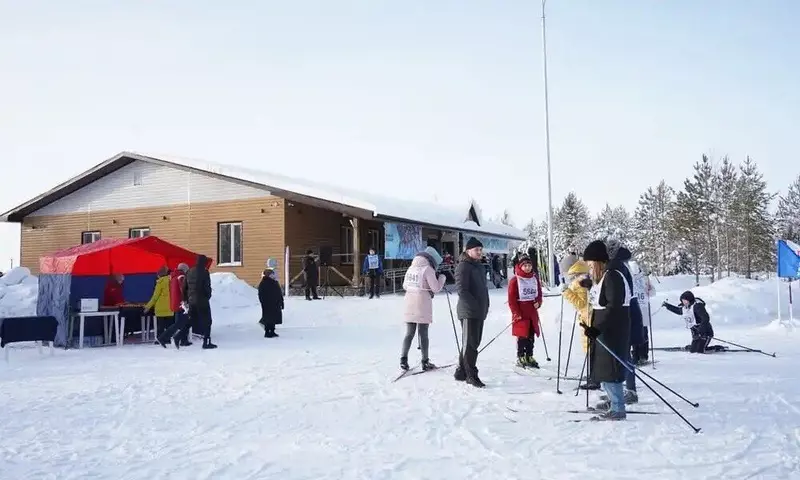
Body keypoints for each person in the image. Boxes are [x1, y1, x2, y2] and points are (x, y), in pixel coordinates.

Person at [579, 240, 632, 421]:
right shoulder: (605, 276)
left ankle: (618, 408)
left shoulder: (613, 276)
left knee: (611, 369)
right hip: (604, 328)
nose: (590, 268)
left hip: (612, 329)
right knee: (603, 368)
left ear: (599, 262)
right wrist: (590, 286)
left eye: (591, 264)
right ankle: (612, 401)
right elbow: (603, 298)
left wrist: (597, 328)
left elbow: (614, 306)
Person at [400, 246, 447, 371]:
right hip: (422, 304)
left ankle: (403, 359)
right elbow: (436, 288)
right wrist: (442, 278)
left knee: (409, 333)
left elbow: (404, 285)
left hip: (409, 302)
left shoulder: (412, 268)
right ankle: (425, 361)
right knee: (423, 333)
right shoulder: (428, 269)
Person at [454, 237, 490, 388]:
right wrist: (474, 306)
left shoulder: (479, 266)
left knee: (473, 342)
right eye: (477, 250)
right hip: (468, 311)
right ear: (468, 251)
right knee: (470, 344)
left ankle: (461, 371)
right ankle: (471, 374)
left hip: (479, 310)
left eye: (481, 249)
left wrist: (485, 305)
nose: (479, 252)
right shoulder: (463, 266)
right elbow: (462, 290)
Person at [507, 254, 542, 368]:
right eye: (525, 266)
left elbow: (539, 294)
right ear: (520, 266)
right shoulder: (515, 280)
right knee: (522, 335)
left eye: (529, 265)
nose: (527, 268)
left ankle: (529, 355)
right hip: (521, 312)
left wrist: (538, 302)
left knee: (531, 335)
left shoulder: (534, 278)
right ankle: (520, 356)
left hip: (532, 312)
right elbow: (511, 299)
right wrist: (516, 312)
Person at [157, 263, 191, 348]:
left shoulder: (173, 277)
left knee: (182, 322)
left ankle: (183, 340)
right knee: (180, 323)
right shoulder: (181, 277)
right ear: (184, 270)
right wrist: (186, 302)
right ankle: (163, 337)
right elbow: (183, 290)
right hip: (181, 304)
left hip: (175, 303)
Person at [186, 254, 217, 349]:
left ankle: (179, 336)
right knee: (207, 321)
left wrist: (187, 298)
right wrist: (208, 296)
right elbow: (206, 286)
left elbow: (185, 287)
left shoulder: (190, 271)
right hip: (202, 300)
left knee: (192, 320)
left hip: (192, 300)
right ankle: (206, 342)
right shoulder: (204, 272)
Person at [144, 266, 173, 340]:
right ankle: (167, 339)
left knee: (160, 326)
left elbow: (155, 297)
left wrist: (148, 307)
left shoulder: (160, 282)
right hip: (170, 307)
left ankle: (160, 339)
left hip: (161, 308)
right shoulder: (172, 281)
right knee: (169, 325)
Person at [258, 267, 284, 338]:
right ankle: (267, 332)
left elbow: (279, 293)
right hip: (268, 304)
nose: (273, 276)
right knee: (268, 318)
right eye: (272, 275)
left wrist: (281, 302)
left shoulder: (275, 282)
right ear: (268, 275)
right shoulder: (264, 283)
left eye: (273, 274)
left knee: (274, 318)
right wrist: (264, 302)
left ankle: (272, 331)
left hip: (276, 303)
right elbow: (261, 294)